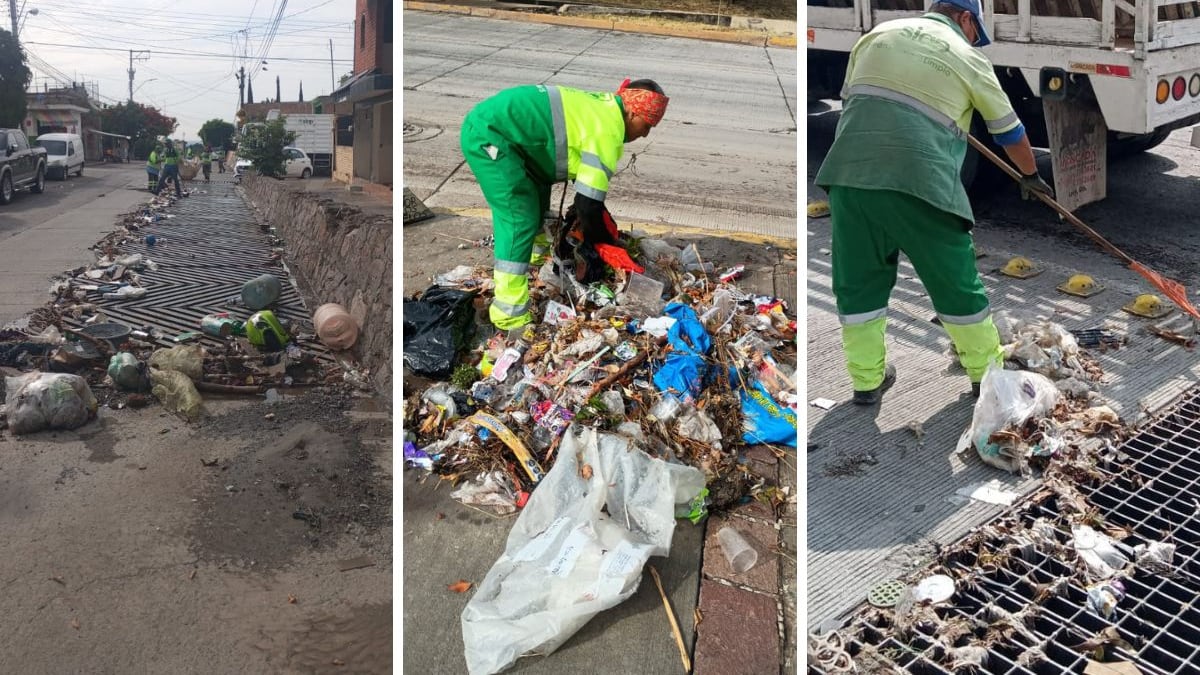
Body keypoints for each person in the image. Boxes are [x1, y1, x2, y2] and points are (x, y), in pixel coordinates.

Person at [815, 0, 1054, 405]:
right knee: (956, 285)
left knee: (858, 285)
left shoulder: (876, 36)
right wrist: (1030, 175)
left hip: (850, 177)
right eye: (975, 31)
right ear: (965, 18)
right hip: (922, 183)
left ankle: (866, 381)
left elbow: (859, 101)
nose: (974, 39)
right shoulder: (968, 57)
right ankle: (986, 376)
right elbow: (1010, 132)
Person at [460, 78, 668, 329]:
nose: (645, 133)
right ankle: (509, 313)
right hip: (489, 135)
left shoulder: (606, 107)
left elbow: (586, 194)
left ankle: (535, 257)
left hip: (510, 134)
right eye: (648, 124)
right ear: (633, 112)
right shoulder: (608, 130)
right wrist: (600, 245)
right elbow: (587, 204)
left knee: (536, 200)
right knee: (519, 217)